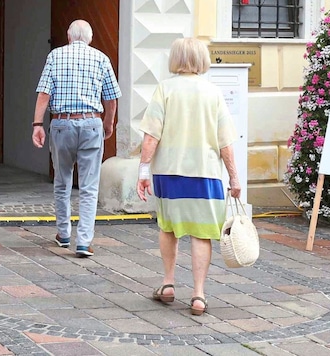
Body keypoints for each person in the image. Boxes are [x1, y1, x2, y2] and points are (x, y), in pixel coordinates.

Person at [136, 38, 241, 316]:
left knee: (168, 227)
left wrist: (143, 171)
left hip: (169, 173)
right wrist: (234, 179)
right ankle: (198, 295)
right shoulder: (213, 93)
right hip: (205, 174)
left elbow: (151, 136)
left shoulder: (164, 89)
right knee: (201, 233)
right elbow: (225, 143)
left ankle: (168, 283)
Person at [32, 19, 121, 258]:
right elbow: (111, 98)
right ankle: (83, 242)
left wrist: (37, 124)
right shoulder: (101, 58)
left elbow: (44, 92)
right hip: (92, 123)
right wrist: (108, 122)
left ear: (69, 37)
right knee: (89, 187)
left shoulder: (55, 56)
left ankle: (63, 234)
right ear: (89, 39)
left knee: (62, 181)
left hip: (62, 123)